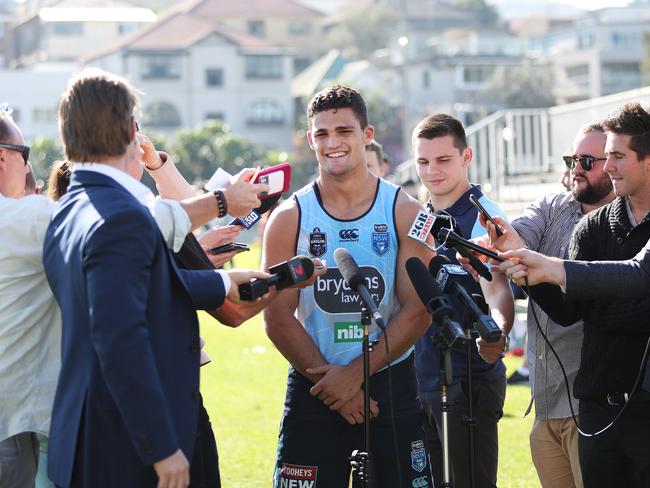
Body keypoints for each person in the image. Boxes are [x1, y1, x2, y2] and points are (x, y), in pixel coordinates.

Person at [41, 68, 271, 488]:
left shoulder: (68, 209)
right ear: (132, 130)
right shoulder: (122, 218)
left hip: (87, 438)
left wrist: (222, 283)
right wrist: (162, 448)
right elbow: (120, 340)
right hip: (126, 449)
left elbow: (124, 292)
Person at [263, 85, 434, 487]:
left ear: (367, 135)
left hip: (388, 385)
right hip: (314, 383)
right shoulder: (288, 217)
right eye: (322, 134)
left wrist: (355, 376)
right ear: (310, 140)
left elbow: (417, 309)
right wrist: (334, 385)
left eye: (344, 131)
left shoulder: (405, 210)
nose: (333, 143)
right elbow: (276, 316)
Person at [473, 122, 615, 488]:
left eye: (587, 160)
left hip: (596, 407)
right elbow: (517, 235)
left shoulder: (620, 227)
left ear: (614, 162)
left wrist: (521, 260)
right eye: (572, 159)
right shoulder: (553, 205)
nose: (576, 168)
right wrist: (485, 244)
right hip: (545, 406)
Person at [516, 102, 650, 487]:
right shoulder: (591, 227)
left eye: (618, 156)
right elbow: (569, 312)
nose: (609, 167)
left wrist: (560, 273)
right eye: (606, 156)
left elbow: (640, 277)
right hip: (598, 412)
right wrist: (527, 274)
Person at [412, 113, 514, 488]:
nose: (432, 171)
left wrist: (498, 333)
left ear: (466, 156)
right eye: (423, 161)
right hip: (421, 378)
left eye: (443, 160)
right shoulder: (419, 215)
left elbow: (498, 288)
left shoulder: (484, 217)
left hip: (467, 382)